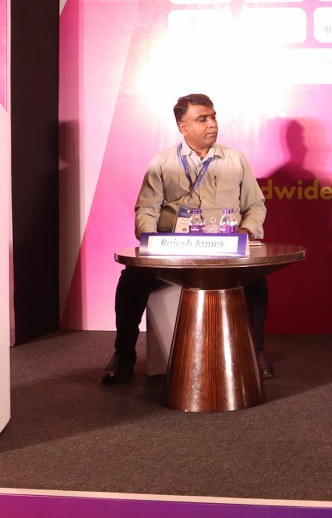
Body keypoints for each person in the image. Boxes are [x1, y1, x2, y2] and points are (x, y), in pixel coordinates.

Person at [102, 94, 270, 385]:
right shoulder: (162, 162)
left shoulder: (235, 159)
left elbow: (255, 205)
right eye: (202, 119)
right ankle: (124, 353)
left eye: (213, 117)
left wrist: (246, 231)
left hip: (224, 248)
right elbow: (147, 208)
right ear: (183, 127)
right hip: (174, 249)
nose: (212, 124)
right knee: (132, 278)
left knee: (256, 277)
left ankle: (256, 352)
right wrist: (150, 241)